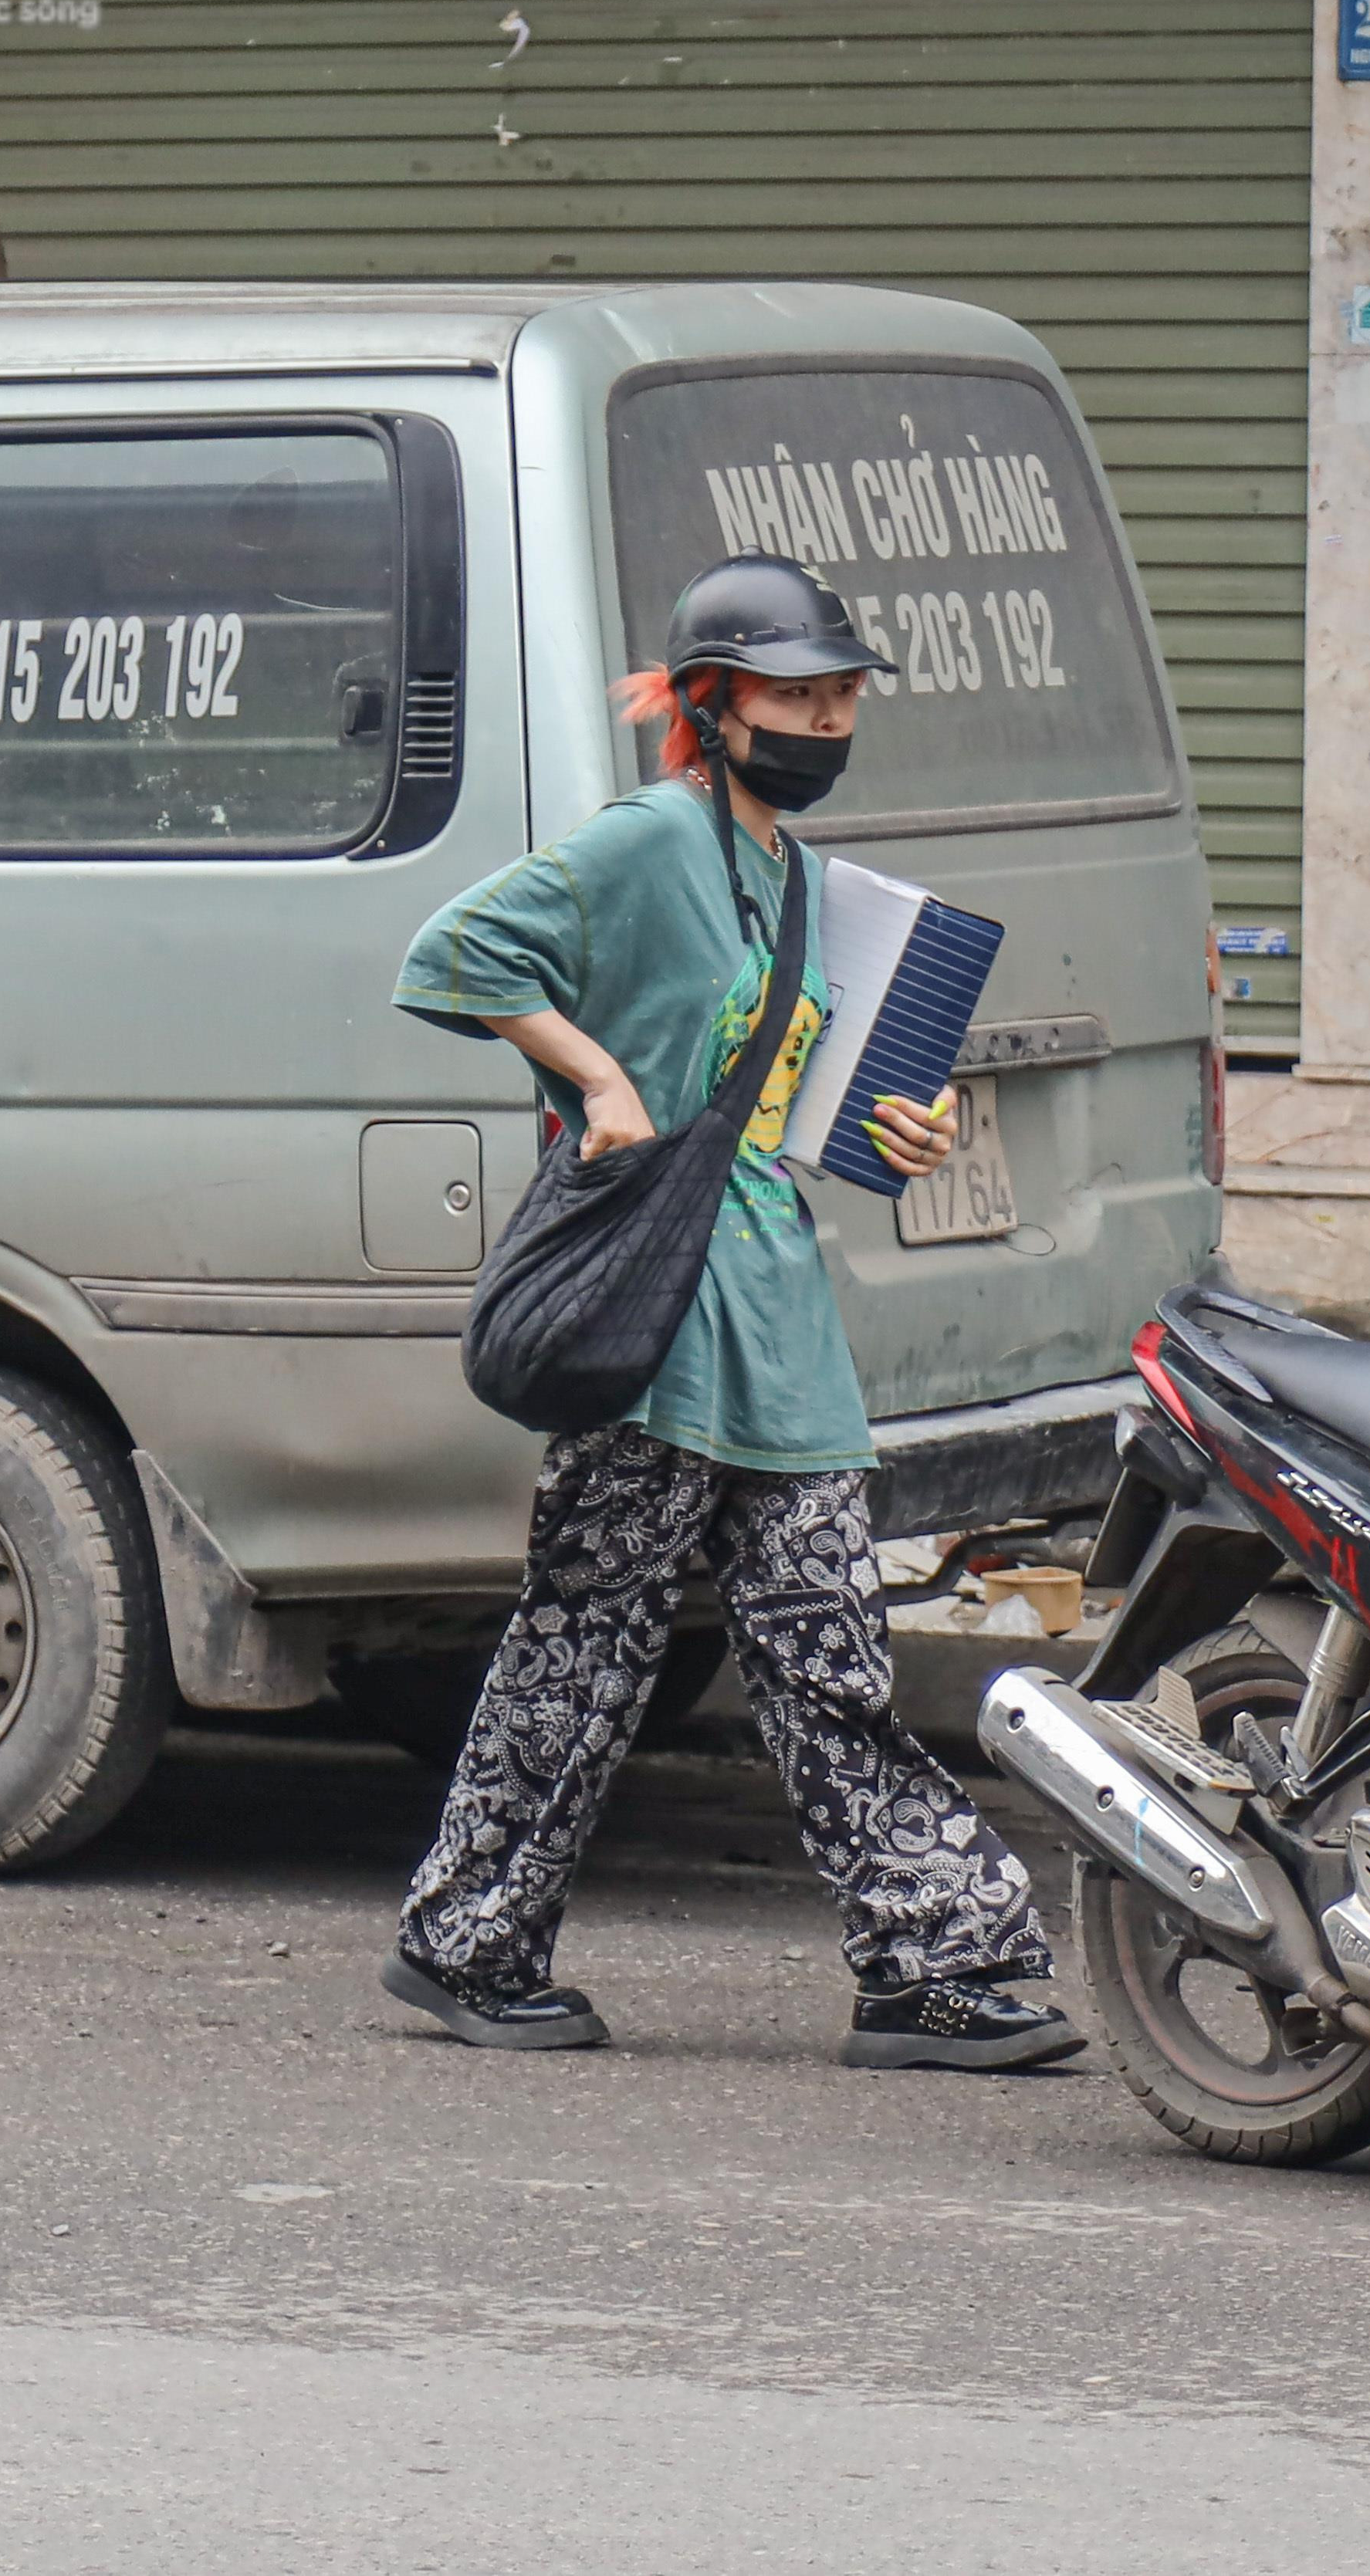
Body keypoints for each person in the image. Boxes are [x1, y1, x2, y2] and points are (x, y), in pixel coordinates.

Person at [374, 552, 1075, 2073]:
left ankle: (926, 1967)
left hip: (776, 1315)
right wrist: (600, 1079)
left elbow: (790, 1105)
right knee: (585, 1643)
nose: (825, 720)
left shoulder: (803, 880)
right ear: (711, 703)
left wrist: (901, 1136)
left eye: (840, 697)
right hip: (655, 1318)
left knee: (830, 1656)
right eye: (797, 695)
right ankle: (467, 1944)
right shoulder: (645, 842)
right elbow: (454, 953)